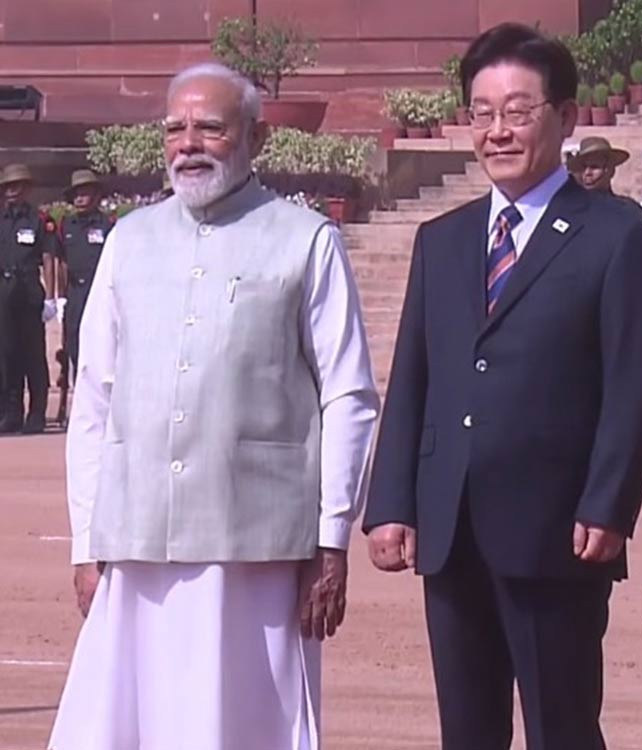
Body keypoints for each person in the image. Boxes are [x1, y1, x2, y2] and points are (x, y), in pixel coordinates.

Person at [48, 62, 379, 750]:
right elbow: (94, 402)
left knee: (241, 724)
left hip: (256, 551)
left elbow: (349, 394)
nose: (188, 142)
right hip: (136, 541)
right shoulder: (129, 241)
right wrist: (87, 540)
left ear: (255, 139)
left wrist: (332, 538)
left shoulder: (304, 239)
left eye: (209, 127)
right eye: (175, 128)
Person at [362, 24, 642, 750]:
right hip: (451, 524)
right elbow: (414, 377)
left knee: (561, 727)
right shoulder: (442, 239)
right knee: (466, 730)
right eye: (482, 112)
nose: (498, 131)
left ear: (564, 118)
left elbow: (637, 382)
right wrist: (392, 502)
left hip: (558, 530)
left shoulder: (613, 233)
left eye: (518, 112)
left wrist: (609, 501)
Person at [0, 163, 57, 434]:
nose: (11, 191)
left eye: (15, 186)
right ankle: (11, 413)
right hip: (4, 294)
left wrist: (52, 299)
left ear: (26, 188)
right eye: (7, 187)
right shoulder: (1, 219)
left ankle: (36, 414)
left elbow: (47, 258)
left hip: (30, 293)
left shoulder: (38, 219)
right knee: (7, 356)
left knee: (34, 357)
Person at [55, 170, 113, 387]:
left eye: (84, 193)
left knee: (101, 348)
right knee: (75, 346)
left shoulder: (108, 225)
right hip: (76, 293)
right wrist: (60, 298)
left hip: (99, 293)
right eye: (76, 194)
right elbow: (62, 263)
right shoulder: (67, 225)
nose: (79, 199)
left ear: (97, 195)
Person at [569, 136, 642, 218]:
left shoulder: (628, 210)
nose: (587, 173)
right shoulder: (571, 211)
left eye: (594, 167)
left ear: (610, 170)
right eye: (583, 167)